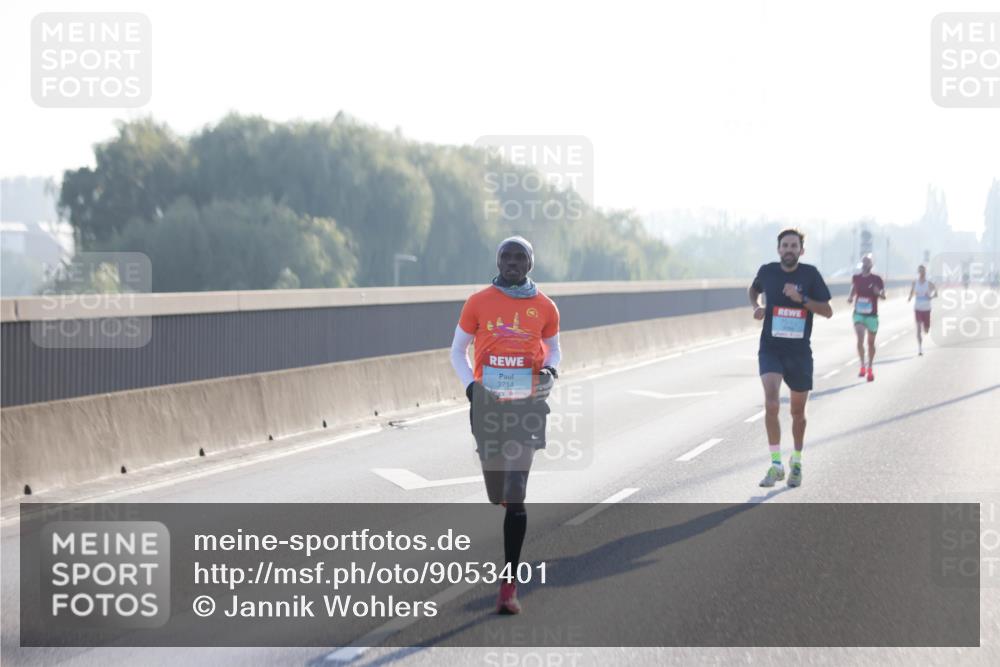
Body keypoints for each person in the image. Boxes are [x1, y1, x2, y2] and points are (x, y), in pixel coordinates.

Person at [449, 236, 560, 615]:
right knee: (497, 492)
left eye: (520, 257)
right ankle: (502, 494)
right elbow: (456, 350)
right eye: (506, 257)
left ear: (530, 264)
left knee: (516, 492)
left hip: (527, 405)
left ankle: (508, 584)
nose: (512, 262)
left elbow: (554, 346)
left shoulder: (545, 306)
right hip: (488, 406)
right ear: (498, 261)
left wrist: (550, 369)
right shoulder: (478, 302)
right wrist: (470, 387)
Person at [749, 228, 833, 488]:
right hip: (771, 348)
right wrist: (756, 307)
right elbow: (753, 290)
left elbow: (828, 311)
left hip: (799, 353)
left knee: (798, 412)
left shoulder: (810, 275)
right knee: (772, 404)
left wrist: (802, 298)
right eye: (785, 245)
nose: (789, 249)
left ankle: (796, 461)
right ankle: (776, 465)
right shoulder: (767, 271)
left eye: (793, 246)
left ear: (801, 251)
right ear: (778, 249)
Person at [846, 254, 886, 381]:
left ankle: (870, 367)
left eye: (867, 263)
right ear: (861, 264)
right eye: (863, 263)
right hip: (859, 314)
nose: (865, 265)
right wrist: (851, 297)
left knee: (870, 343)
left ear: (871, 265)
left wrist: (878, 293)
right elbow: (854, 288)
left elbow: (884, 296)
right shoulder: (856, 278)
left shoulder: (877, 279)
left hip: (872, 315)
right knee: (860, 338)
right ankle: (862, 365)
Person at [907, 264, 937, 356]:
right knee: (918, 328)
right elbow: (912, 292)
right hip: (918, 308)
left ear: (925, 272)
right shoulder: (914, 283)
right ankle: (920, 349)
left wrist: (930, 296)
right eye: (920, 271)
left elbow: (936, 293)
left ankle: (927, 326)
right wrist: (910, 297)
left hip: (927, 309)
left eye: (923, 271)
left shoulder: (929, 283)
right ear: (918, 272)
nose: (921, 273)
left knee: (926, 330)